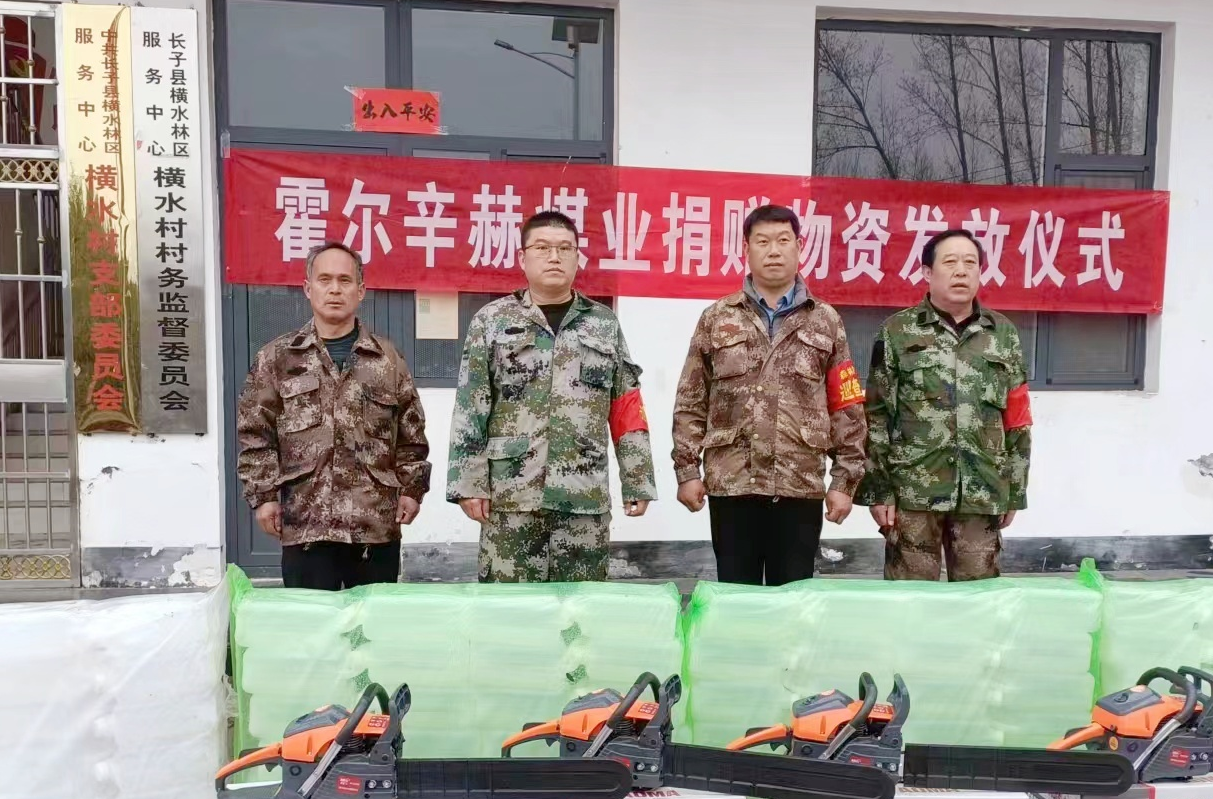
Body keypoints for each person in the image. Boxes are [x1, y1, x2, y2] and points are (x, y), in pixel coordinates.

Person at [447, 210, 656, 582]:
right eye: (542, 248)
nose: (554, 257)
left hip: (583, 498)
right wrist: (468, 483)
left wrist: (637, 479)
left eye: (564, 248)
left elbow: (626, 405)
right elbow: (471, 406)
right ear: (523, 257)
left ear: (578, 257)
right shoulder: (492, 320)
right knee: (510, 606)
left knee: (579, 609)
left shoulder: (603, 323)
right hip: (511, 498)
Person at [671, 203, 866, 585]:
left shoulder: (825, 320)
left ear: (800, 246)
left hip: (799, 485)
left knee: (791, 599)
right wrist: (686, 471)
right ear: (746, 248)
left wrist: (845, 482)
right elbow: (691, 400)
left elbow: (846, 406)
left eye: (783, 240)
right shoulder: (717, 317)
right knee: (735, 596)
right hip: (732, 486)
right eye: (762, 242)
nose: (773, 251)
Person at [237, 242, 430, 590]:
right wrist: (264, 497)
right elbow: (256, 434)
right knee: (311, 622)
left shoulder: (388, 360)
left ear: (361, 290)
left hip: (374, 528)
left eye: (345, 280)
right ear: (308, 288)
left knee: (371, 623)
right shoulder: (277, 359)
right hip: (306, 525)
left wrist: (412, 490)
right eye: (324, 280)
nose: (335, 289)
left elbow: (410, 435)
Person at [861, 229, 1031, 581]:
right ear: (927, 272)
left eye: (970, 263)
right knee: (911, 601)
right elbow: (876, 417)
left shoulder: (1003, 334)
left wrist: (1014, 491)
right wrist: (878, 490)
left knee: (978, 601)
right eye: (950, 262)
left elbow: (1017, 419)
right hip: (913, 493)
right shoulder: (897, 331)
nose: (961, 271)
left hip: (982, 490)